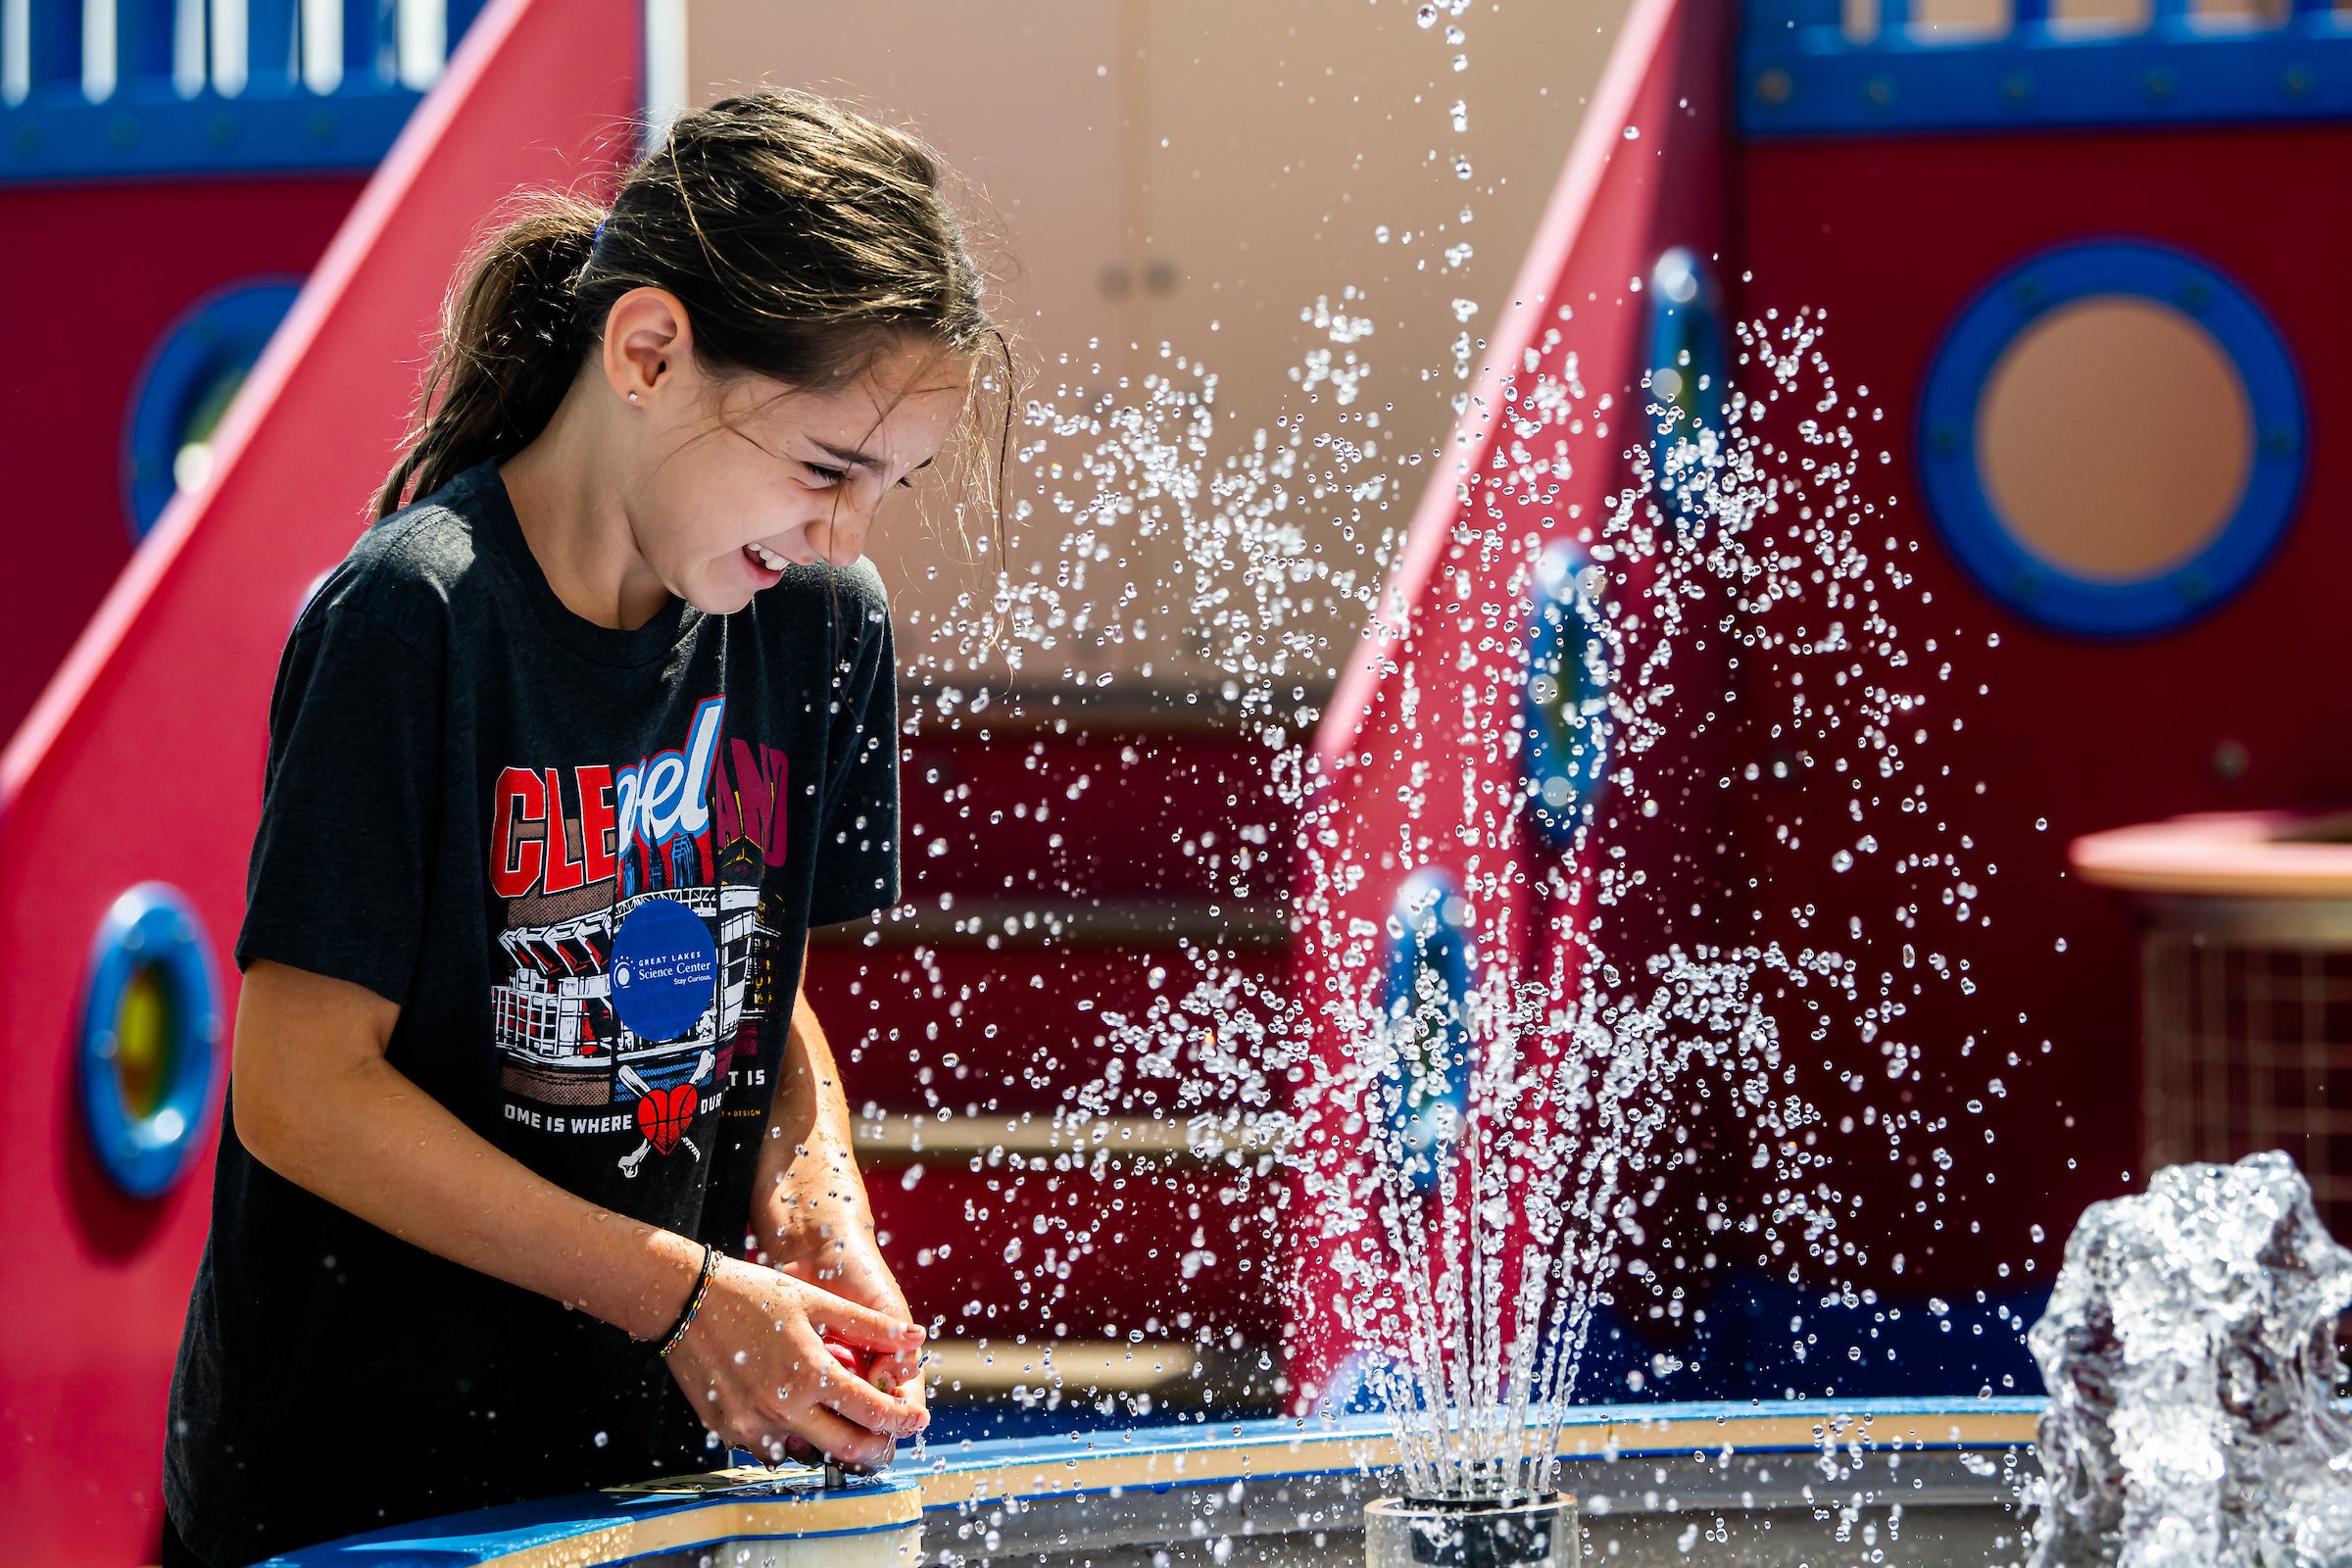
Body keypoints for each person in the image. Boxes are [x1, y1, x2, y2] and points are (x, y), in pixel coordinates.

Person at [162, 90, 1008, 1568]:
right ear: (647, 353)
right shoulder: (417, 618)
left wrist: (816, 1215)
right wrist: (675, 1293)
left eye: (888, 486)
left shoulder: (814, 629)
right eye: (823, 469)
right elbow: (296, 1091)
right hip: (354, 1496)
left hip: (629, 1483)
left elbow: (764, 992)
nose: (848, 535)